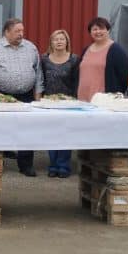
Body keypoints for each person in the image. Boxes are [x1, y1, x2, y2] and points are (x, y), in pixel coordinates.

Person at [0, 18, 43, 176]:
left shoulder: (31, 47)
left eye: (22, 30)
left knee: (27, 131)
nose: (21, 34)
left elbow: (38, 72)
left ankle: (26, 165)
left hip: (26, 95)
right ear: (6, 32)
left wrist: (38, 94)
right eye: (17, 31)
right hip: (0, 96)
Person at [40, 30, 79, 178]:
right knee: (51, 134)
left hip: (68, 103)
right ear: (51, 42)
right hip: (49, 102)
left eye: (62, 39)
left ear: (67, 41)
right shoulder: (44, 59)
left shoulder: (74, 59)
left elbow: (77, 82)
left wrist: (75, 100)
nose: (59, 41)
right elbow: (41, 80)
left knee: (65, 134)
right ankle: (53, 165)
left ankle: (63, 166)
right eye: (56, 39)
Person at [77, 17, 128, 102]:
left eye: (101, 29)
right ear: (90, 32)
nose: (98, 32)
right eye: (95, 29)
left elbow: (124, 75)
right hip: (83, 98)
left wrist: (116, 96)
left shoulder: (116, 50)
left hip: (104, 100)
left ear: (108, 30)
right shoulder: (86, 50)